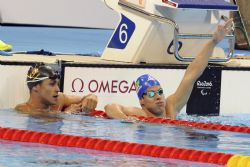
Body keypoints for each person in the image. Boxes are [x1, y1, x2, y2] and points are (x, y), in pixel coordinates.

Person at [105, 19, 234, 120]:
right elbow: (110, 107)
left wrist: (214, 41)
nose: (158, 97)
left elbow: (191, 76)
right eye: (151, 94)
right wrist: (125, 119)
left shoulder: (171, 106)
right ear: (141, 101)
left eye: (160, 92)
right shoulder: (141, 114)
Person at [15, 63, 98, 114]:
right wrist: (66, 114)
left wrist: (92, 97)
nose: (58, 89)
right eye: (52, 84)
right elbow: (41, 117)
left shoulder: (59, 99)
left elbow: (86, 98)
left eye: (57, 85)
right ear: (35, 87)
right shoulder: (23, 109)